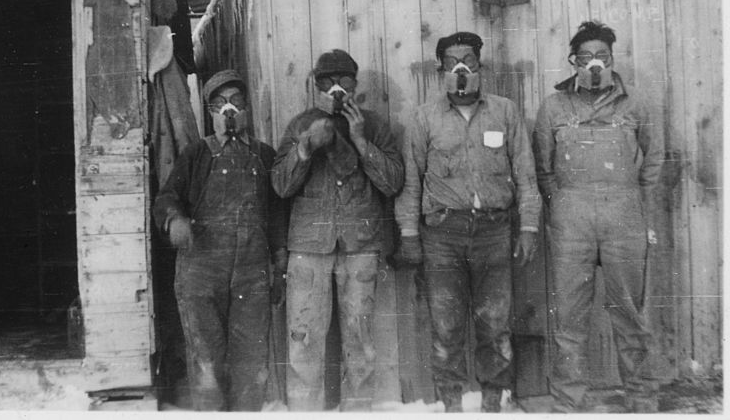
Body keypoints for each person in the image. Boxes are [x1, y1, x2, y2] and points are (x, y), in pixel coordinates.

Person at [394, 32, 541, 413]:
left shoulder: (505, 112)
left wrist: (528, 227)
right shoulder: (424, 118)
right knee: (446, 325)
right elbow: (410, 182)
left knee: (495, 324)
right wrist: (410, 235)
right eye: (452, 63)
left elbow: (526, 175)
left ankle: (494, 402)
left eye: (470, 62)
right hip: (442, 235)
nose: (462, 70)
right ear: (441, 70)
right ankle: (452, 405)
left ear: (480, 67)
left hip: (494, 232)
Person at [532, 20, 663, 413]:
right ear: (573, 62)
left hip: (624, 216)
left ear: (612, 59)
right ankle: (568, 403)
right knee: (570, 320)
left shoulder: (635, 103)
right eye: (586, 57)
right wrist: (561, 202)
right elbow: (542, 166)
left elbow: (654, 157)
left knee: (631, 316)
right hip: (571, 220)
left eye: (602, 57)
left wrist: (634, 198)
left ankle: (642, 399)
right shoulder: (554, 106)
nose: (595, 64)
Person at [271, 49, 404, 411]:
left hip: (360, 244)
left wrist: (361, 141)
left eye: (343, 81)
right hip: (309, 246)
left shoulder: (373, 125)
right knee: (304, 340)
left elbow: (393, 183)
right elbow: (280, 187)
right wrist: (304, 147)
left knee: (360, 343)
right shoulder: (300, 124)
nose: (335, 90)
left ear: (355, 85)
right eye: (326, 83)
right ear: (316, 87)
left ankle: (358, 411)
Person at [152, 69, 287, 411]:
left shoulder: (264, 155)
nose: (228, 110)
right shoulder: (196, 155)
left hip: (251, 273)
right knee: (206, 362)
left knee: (251, 362)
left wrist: (281, 260)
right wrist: (175, 221)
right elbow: (165, 198)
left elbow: (276, 214)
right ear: (210, 112)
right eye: (219, 104)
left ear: (247, 109)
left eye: (236, 102)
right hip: (201, 273)